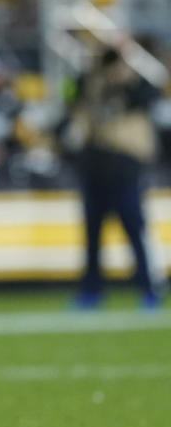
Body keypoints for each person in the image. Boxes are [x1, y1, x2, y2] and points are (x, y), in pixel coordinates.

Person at [67, 39, 166, 308]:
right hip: (96, 169)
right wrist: (99, 69)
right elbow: (77, 95)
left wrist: (126, 73)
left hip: (125, 170)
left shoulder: (136, 87)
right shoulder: (92, 86)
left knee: (135, 231)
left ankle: (148, 288)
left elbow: (147, 95)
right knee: (92, 237)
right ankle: (91, 291)